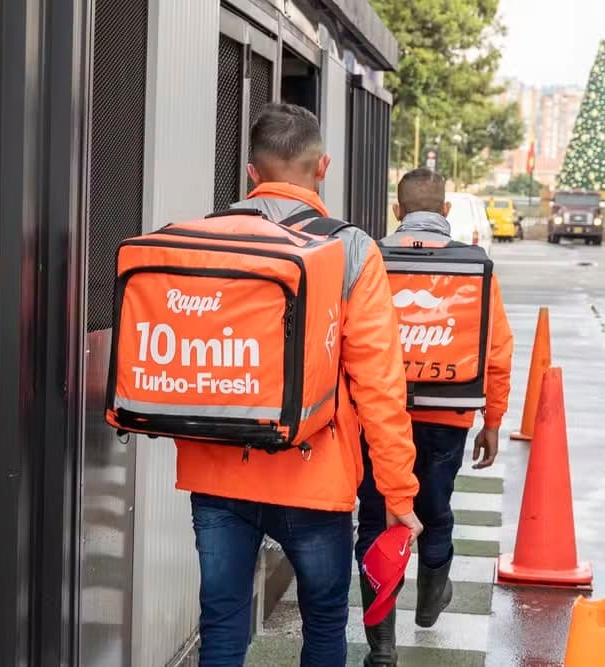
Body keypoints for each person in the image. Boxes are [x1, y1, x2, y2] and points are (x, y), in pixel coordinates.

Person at [175, 103, 423, 667]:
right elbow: (380, 385)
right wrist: (399, 494)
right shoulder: (351, 249)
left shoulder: (205, 237)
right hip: (315, 475)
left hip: (219, 472)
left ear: (250, 173)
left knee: (221, 623)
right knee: (324, 622)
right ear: (323, 167)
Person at [355, 169, 513, 665]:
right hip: (448, 418)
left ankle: (382, 647)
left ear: (397, 212)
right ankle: (430, 598)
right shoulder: (477, 266)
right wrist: (493, 417)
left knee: (377, 518)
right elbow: (497, 351)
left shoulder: (368, 260)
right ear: (446, 213)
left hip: (376, 418)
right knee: (437, 509)